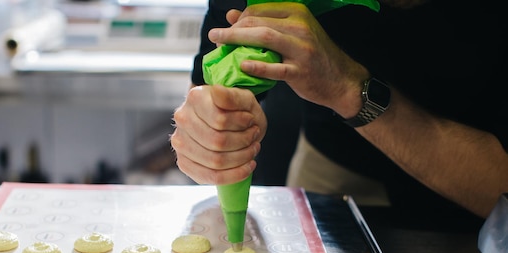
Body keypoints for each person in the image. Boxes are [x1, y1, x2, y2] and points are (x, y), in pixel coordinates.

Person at [170, 0, 508, 231]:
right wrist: (210, 133)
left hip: (480, 180)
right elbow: (211, 85)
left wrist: (347, 89)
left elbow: (499, 185)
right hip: (333, 167)